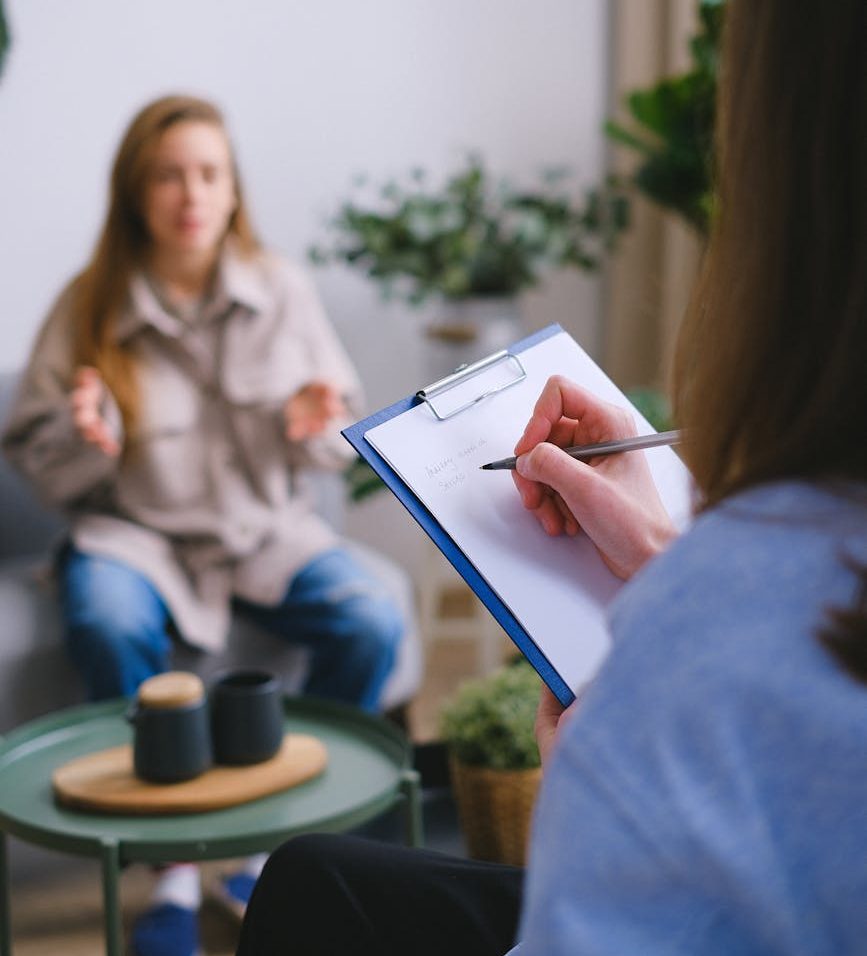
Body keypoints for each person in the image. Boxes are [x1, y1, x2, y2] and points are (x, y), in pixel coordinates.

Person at [235, 1, 867, 953]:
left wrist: (586, 794)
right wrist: (661, 557)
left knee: (312, 892)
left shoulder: (727, 640)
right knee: (320, 874)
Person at [1, 94, 404, 956]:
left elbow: (341, 442)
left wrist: (313, 428)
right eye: (168, 175)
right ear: (135, 194)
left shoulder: (283, 288)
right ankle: (170, 869)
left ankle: (261, 845)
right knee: (103, 614)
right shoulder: (89, 303)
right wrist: (86, 438)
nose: (190, 193)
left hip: (263, 534)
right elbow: (36, 457)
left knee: (372, 618)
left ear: (232, 190)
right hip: (134, 540)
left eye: (208, 174)